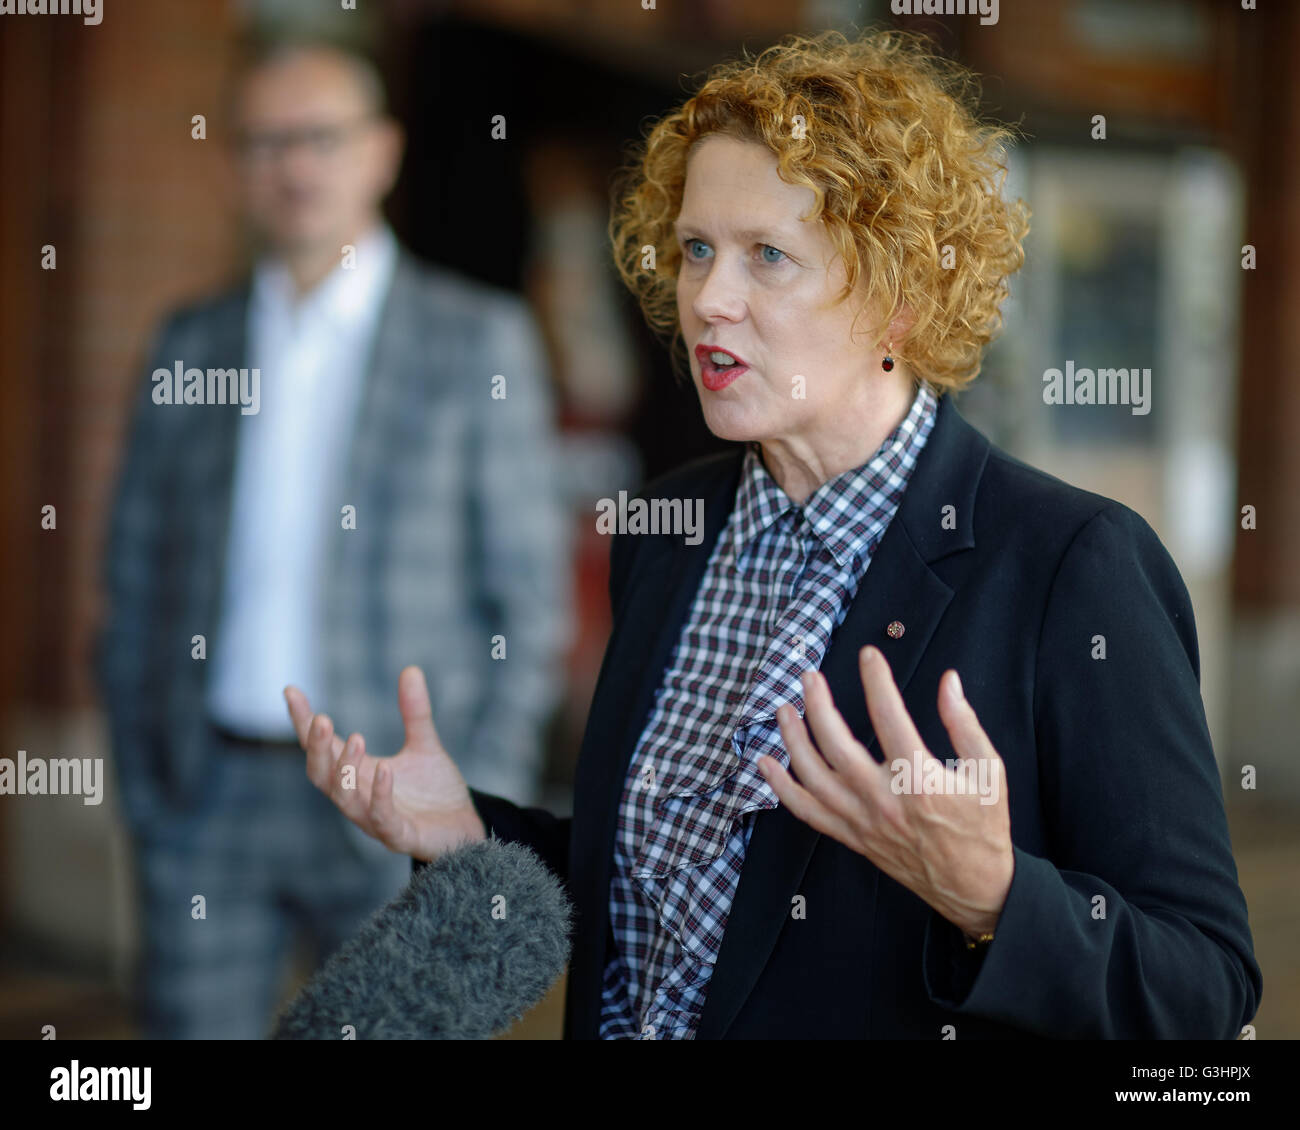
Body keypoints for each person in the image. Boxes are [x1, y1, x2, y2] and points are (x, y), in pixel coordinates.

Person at [284, 28, 1261, 1039]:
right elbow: (684, 885)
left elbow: (1202, 987)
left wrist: (992, 896)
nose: (709, 298)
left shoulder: (1070, 565)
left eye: (768, 257)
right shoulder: (672, 530)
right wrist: (475, 831)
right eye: (698, 247)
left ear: (899, 297)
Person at [96, 40, 569, 1039]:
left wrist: (477, 809)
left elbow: (529, 600)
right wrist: (147, 793)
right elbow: (131, 575)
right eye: (266, 141)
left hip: (396, 796)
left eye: (321, 137)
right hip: (206, 792)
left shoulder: (476, 339)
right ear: (233, 167)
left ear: (383, 152)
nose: (295, 165)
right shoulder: (190, 342)